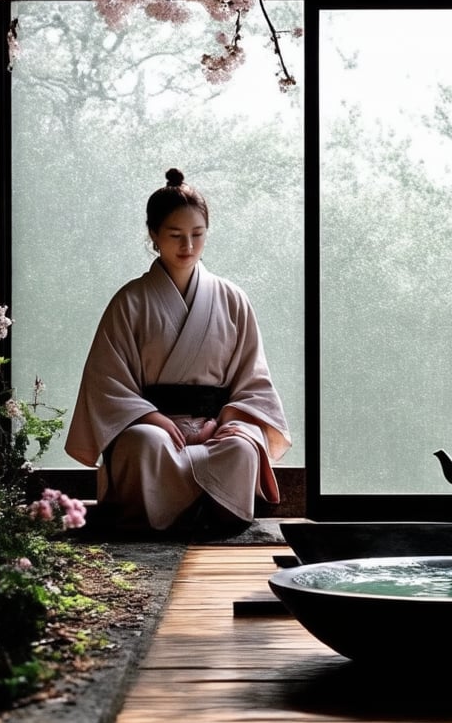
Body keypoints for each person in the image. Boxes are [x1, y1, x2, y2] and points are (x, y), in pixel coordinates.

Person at [65, 169, 291, 534]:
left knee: (241, 447)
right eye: (175, 235)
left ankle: (215, 518)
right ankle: (158, 519)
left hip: (216, 425)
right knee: (143, 444)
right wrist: (154, 419)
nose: (187, 246)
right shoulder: (130, 301)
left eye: (197, 235)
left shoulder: (233, 300)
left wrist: (223, 421)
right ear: (154, 236)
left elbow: (253, 378)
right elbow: (106, 381)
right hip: (154, 425)